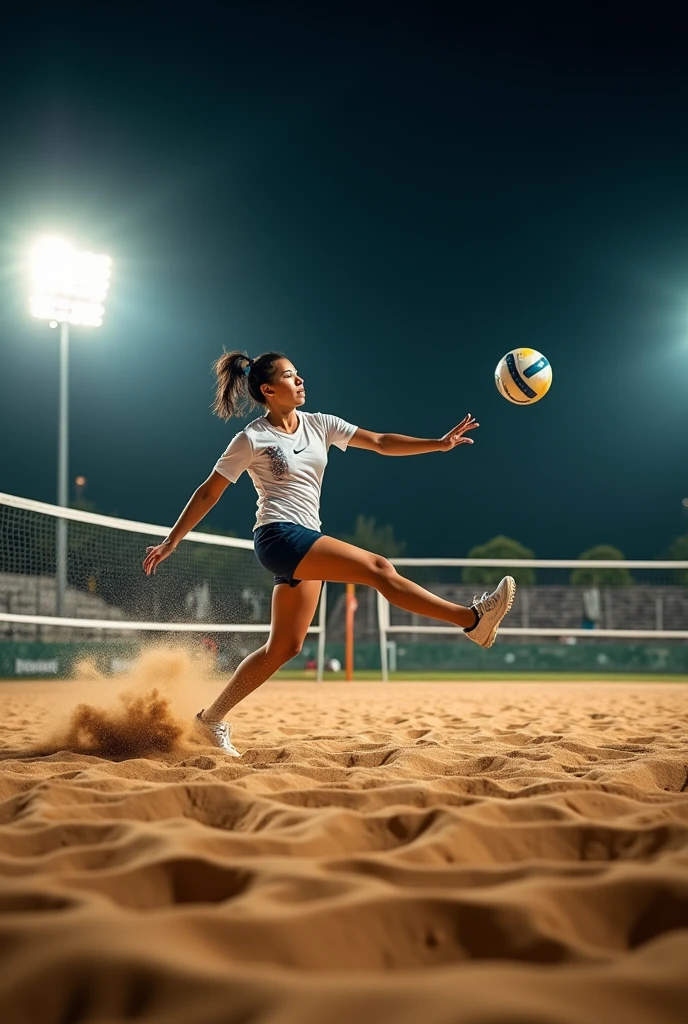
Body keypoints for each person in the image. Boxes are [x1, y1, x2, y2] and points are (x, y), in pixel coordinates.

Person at [142, 351, 516, 756]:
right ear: (268, 390)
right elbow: (209, 491)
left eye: (298, 374)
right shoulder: (252, 438)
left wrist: (438, 444)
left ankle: (209, 720)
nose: (300, 380)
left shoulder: (320, 424)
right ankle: (472, 620)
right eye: (290, 376)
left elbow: (380, 442)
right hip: (278, 536)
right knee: (378, 568)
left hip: (305, 538)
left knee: (284, 647)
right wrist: (171, 541)